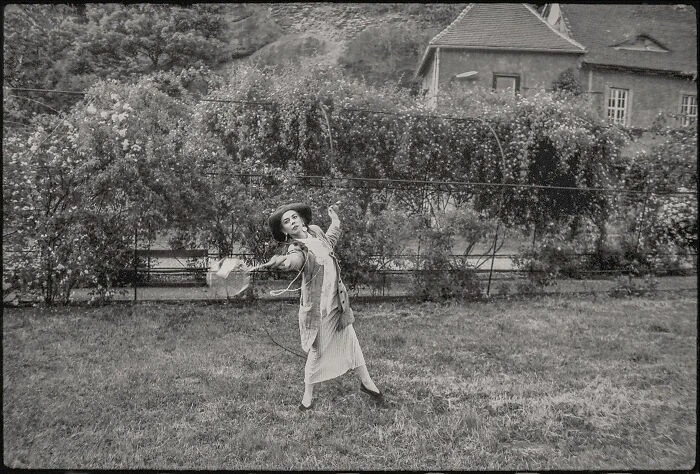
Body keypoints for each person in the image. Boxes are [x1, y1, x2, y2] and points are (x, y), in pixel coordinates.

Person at [254, 202, 384, 410]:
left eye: (294, 217)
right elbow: (295, 260)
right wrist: (284, 262)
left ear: (301, 219)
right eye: (286, 221)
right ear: (284, 230)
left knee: (352, 342)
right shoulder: (296, 247)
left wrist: (335, 221)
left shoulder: (315, 231)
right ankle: (307, 396)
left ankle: (367, 384)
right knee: (317, 351)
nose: (292, 222)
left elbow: (329, 242)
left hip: (337, 301)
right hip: (319, 309)